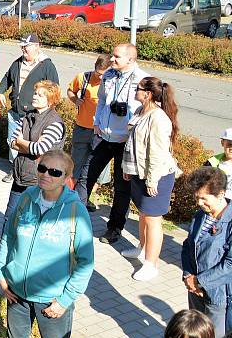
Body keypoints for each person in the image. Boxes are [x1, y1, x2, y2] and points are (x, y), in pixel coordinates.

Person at [0, 149, 94, 338]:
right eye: (42, 168)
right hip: (17, 294)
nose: (45, 174)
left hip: (52, 301)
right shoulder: (27, 197)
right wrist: (1, 274)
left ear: (66, 179)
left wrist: (65, 300)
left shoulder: (75, 211)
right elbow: (9, 237)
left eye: (55, 172)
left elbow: (86, 262)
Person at [76, 43, 150, 244]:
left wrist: (133, 131)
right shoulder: (108, 75)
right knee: (85, 177)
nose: (112, 59)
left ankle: (114, 228)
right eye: (113, 55)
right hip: (103, 136)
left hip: (125, 141)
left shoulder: (142, 80)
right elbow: (100, 101)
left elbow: (149, 109)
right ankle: (74, 219)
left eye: (117, 57)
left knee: (121, 187)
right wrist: (97, 123)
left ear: (130, 60)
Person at [120, 76, 180, 281]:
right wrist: (126, 168)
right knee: (144, 214)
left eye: (137, 89)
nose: (134, 91)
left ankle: (151, 264)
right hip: (139, 173)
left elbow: (157, 153)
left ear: (147, 94)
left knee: (153, 219)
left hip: (157, 176)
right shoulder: (140, 111)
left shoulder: (158, 118)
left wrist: (152, 181)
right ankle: (142, 248)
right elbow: (131, 143)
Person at [0, 33, 59, 183]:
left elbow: (54, 89)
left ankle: (32, 174)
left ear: (36, 47)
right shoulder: (18, 62)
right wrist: (0, 92)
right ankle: (14, 168)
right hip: (15, 112)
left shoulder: (47, 65)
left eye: (26, 46)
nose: (23, 49)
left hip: (31, 116)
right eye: (22, 46)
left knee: (28, 145)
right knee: (13, 143)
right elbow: (7, 78)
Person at [181, 167, 232, 338]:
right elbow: (188, 246)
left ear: (221, 194)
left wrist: (200, 282)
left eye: (204, 198)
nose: (199, 203)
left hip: (218, 295)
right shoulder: (199, 216)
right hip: (194, 290)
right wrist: (188, 275)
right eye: (197, 198)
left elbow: (230, 264)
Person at [6, 81, 65, 226]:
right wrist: (26, 145)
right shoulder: (28, 116)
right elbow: (12, 141)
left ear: (50, 100)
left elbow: (40, 149)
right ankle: (4, 248)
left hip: (41, 180)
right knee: (10, 217)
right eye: (35, 93)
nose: (35, 96)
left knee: (30, 221)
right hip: (21, 175)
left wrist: (22, 142)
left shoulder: (55, 123)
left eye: (40, 95)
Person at [67, 53, 113, 211]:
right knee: (75, 166)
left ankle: (85, 199)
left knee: (93, 169)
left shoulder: (113, 83)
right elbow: (70, 91)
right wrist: (75, 100)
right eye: (97, 73)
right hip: (82, 128)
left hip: (100, 132)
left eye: (103, 74)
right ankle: (68, 197)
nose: (99, 77)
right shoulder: (83, 77)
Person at [204, 128, 232, 199]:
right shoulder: (211, 163)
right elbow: (201, 186)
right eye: (229, 144)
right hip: (216, 205)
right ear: (222, 143)